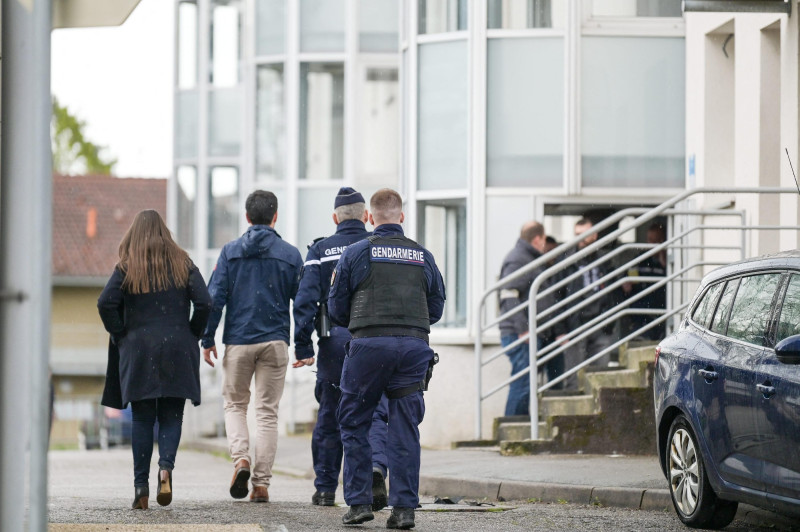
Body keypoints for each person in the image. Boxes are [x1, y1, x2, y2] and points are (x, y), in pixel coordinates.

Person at [329, 188, 445, 529]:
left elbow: (336, 309)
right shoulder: (423, 256)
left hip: (368, 347)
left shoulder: (355, 252)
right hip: (413, 348)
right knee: (405, 426)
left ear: (369, 218)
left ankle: (360, 502)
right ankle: (405, 509)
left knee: (354, 421)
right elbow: (435, 309)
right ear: (402, 218)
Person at [97, 209, 211, 510]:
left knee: (144, 419)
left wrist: (122, 334)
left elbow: (105, 302)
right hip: (177, 347)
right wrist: (192, 333)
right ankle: (165, 469)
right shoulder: (183, 263)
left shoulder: (127, 266)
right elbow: (205, 302)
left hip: (139, 350)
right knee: (172, 415)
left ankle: (140, 488)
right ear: (165, 232)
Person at [201, 190, 303, 503]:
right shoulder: (290, 255)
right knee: (267, 413)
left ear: (247, 217)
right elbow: (302, 303)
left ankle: (241, 459)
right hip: (274, 342)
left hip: (239, 341)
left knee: (235, 404)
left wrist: (207, 339)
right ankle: (261, 485)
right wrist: (303, 344)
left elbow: (214, 299)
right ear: (275, 217)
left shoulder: (230, 253)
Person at [292, 187, 390, 510]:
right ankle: (375, 467)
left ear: (335, 218)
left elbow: (305, 301)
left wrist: (303, 344)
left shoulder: (320, 251)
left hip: (335, 344)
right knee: (375, 411)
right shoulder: (380, 246)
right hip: (373, 340)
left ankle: (324, 489)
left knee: (331, 414)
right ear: (366, 216)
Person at [498, 221, 555, 416]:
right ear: (537, 239)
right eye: (543, 240)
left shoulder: (526, 258)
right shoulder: (519, 259)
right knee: (523, 381)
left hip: (525, 332)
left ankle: (517, 425)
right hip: (520, 333)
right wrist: (523, 329)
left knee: (525, 381)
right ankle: (512, 426)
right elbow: (508, 295)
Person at [557, 218, 619, 391]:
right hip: (575, 326)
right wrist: (560, 330)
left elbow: (614, 292)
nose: (581, 239)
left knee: (600, 378)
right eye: (577, 235)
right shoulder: (566, 261)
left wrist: (610, 322)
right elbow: (557, 297)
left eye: (584, 234)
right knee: (574, 379)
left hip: (600, 324)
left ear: (595, 234)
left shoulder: (604, 261)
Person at [622, 222, 667, 340]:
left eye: (654, 241)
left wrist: (664, 264)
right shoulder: (640, 259)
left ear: (662, 241)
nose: (650, 244)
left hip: (663, 313)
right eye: (649, 240)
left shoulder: (670, 261)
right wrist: (626, 286)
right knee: (640, 343)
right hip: (641, 315)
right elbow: (627, 279)